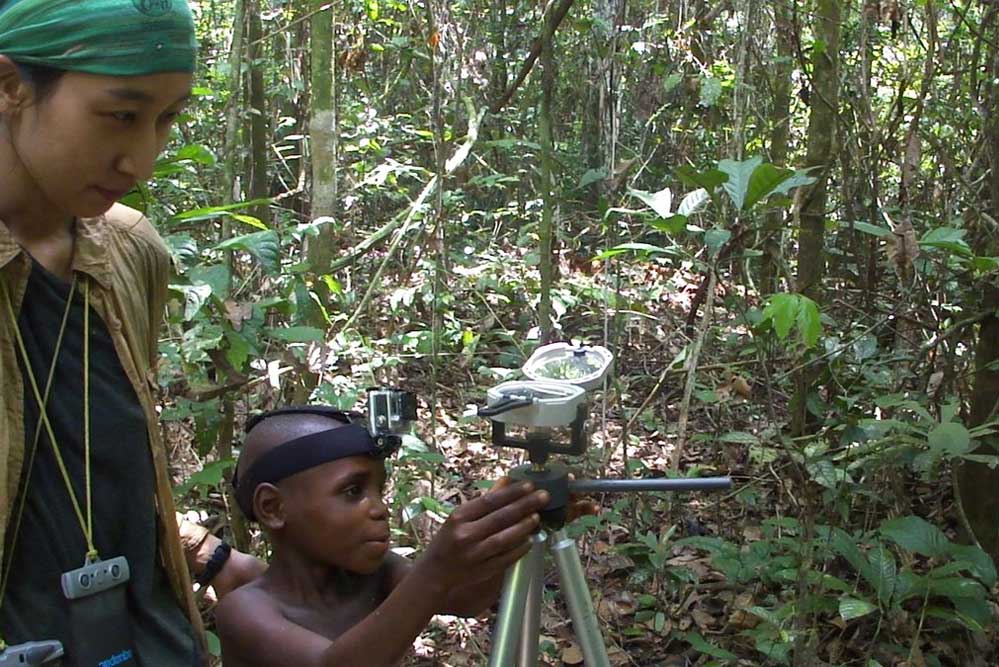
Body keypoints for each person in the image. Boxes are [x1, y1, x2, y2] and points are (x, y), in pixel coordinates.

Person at [0, 1, 262, 664]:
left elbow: (104, 472)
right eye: (121, 114)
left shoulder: (126, 251)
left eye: (166, 118)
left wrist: (205, 553)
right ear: (9, 86)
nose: (142, 158)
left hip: (146, 638)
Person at [215, 407, 552, 667]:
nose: (379, 509)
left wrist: (520, 524)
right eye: (352, 491)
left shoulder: (374, 574)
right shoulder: (245, 611)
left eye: (379, 490)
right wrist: (436, 567)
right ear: (272, 507)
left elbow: (466, 600)